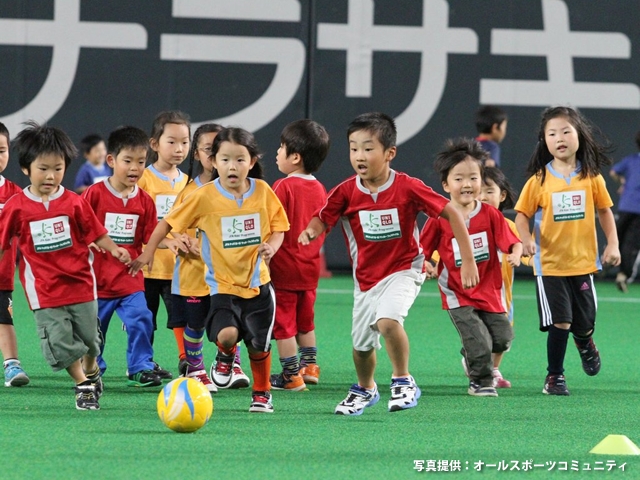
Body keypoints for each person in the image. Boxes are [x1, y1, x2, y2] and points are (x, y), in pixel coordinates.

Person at [299, 112, 479, 415]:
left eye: (368, 148)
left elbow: (453, 214)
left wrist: (468, 259)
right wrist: (311, 231)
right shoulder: (345, 192)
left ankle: (402, 380)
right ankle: (366, 388)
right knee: (361, 347)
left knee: (388, 322)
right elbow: (323, 218)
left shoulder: (408, 187)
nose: (360, 155)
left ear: (389, 153)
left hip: (405, 268)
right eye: (354, 148)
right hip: (366, 279)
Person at [130, 127, 289, 413]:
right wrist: (149, 251)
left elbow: (279, 228)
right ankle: (225, 356)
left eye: (240, 160)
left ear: (251, 162)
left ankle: (262, 393)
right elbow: (167, 223)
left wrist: (273, 247)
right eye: (225, 159)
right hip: (222, 287)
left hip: (259, 285)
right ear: (214, 162)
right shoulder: (203, 196)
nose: (233, 166)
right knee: (226, 335)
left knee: (259, 346)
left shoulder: (263, 192)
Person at [0, 121, 131, 409]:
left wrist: (115, 249)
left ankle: (92, 369)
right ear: (26, 168)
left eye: (58, 168)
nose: (51, 175)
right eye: (43, 168)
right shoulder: (16, 206)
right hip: (44, 291)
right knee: (59, 340)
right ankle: (82, 384)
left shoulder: (74, 202)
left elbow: (95, 232)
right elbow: (2, 240)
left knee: (90, 341)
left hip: (82, 284)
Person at [515, 106, 620, 396]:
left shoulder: (592, 177)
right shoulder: (538, 180)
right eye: (552, 133)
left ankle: (585, 342)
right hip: (548, 265)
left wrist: (613, 243)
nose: (559, 137)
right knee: (561, 321)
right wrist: (525, 239)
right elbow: (521, 215)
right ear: (544, 142)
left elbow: (605, 211)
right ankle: (555, 377)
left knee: (584, 323)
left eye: (565, 131)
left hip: (584, 263)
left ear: (579, 136)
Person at [420, 139, 520, 397]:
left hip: (489, 290)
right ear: (445, 185)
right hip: (457, 292)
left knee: (502, 338)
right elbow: (422, 250)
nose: (467, 184)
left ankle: (471, 353)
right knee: (480, 341)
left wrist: (516, 253)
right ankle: (481, 381)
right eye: (459, 179)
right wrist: (427, 265)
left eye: (473, 178)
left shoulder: (490, 214)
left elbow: (511, 242)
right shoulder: (439, 217)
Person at [83, 126, 180, 388]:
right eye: (128, 161)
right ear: (112, 160)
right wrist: (89, 243)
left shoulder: (145, 201)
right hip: (97, 284)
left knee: (142, 317)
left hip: (130, 280)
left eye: (141, 161)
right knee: (93, 332)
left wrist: (171, 243)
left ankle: (140, 366)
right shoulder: (94, 194)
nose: (135, 168)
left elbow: (151, 236)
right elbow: (80, 229)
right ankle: (93, 371)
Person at [170, 123, 250, 391]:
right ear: (198, 154)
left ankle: (229, 363)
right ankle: (196, 369)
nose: (217, 156)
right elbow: (174, 227)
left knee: (231, 322)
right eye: (209, 149)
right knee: (195, 324)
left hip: (227, 276)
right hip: (194, 274)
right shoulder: (190, 192)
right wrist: (180, 239)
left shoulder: (241, 191)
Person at [269, 119, 330, 391]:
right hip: (309, 267)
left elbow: (271, 225)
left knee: (283, 325)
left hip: (283, 268)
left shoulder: (283, 187)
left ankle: (290, 375)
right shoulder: (320, 189)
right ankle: (310, 367)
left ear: (295, 157)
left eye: (281, 148)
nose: (277, 153)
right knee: (306, 321)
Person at [138, 110, 191, 380]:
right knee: (145, 320)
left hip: (177, 269)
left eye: (185, 142)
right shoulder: (143, 181)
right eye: (172, 141)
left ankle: (186, 360)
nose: (179, 148)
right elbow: (144, 227)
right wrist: (167, 241)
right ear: (154, 144)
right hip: (147, 267)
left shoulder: (188, 183)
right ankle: (142, 362)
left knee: (180, 317)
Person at [478, 166, 530, 388]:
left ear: (502, 195)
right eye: (477, 191)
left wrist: (520, 255)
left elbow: (523, 250)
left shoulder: (508, 226)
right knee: (478, 334)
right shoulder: (464, 225)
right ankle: (479, 366)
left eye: (489, 191)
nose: (482, 196)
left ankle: (494, 369)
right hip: (473, 294)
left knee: (504, 336)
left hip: (502, 296)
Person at [0, 122, 30, 387]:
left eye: (1, 150)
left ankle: (12, 365)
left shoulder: (14, 195)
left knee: (4, 319)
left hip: (2, 275)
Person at [609, 130, 640, 293]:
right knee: (631, 244)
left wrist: (623, 182)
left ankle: (607, 260)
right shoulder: (631, 160)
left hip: (626, 206)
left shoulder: (631, 160)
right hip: (637, 211)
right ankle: (623, 274)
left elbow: (613, 172)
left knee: (616, 237)